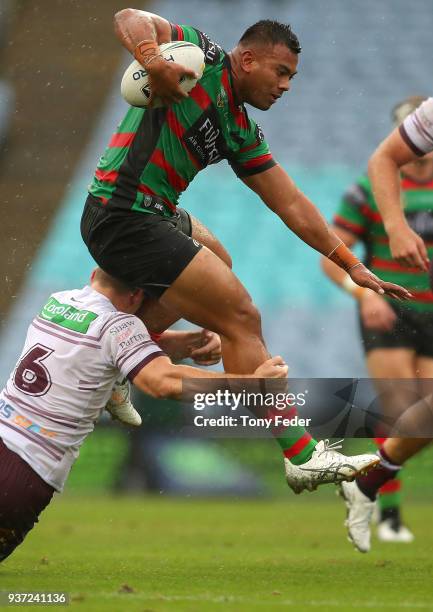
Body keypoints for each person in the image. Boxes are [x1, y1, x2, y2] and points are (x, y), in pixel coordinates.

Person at [80, 9, 407, 492]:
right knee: (239, 316)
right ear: (248, 59)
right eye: (281, 73)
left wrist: (352, 264)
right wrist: (153, 60)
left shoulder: (237, 127)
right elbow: (128, 16)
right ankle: (299, 453)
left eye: (292, 77)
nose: (286, 86)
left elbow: (291, 203)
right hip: (123, 213)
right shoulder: (203, 57)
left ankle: (120, 365)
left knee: (219, 257)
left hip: (148, 212)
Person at [0, 268, 288, 563]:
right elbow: (161, 381)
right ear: (138, 295)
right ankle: (116, 386)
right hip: (24, 471)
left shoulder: (59, 301)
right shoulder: (119, 325)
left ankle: (115, 386)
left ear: (93, 274)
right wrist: (250, 383)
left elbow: (101, 345)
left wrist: (186, 344)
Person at [322, 96, 433, 543]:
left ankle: (364, 481)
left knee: (423, 422)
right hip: (390, 308)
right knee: (403, 412)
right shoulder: (368, 191)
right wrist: (361, 292)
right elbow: (333, 257)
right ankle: (388, 514)